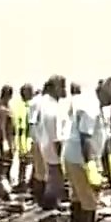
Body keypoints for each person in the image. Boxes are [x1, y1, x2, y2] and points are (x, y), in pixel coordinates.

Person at [62, 78, 111, 222]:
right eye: (109, 99)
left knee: (78, 195)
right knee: (89, 199)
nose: (110, 103)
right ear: (103, 94)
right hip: (79, 158)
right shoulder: (91, 109)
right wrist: (91, 165)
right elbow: (86, 138)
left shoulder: (90, 103)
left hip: (73, 156)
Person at [40, 75, 68, 210]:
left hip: (46, 145)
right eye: (61, 86)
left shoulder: (48, 104)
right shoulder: (53, 109)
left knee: (53, 177)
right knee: (56, 178)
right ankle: (50, 204)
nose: (64, 89)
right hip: (53, 147)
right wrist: (61, 154)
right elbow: (56, 135)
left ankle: (49, 203)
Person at [11, 84, 34, 192]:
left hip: (25, 138)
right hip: (25, 138)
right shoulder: (25, 106)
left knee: (26, 163)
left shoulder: (23, 105)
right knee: (26, 162)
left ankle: (24, 182)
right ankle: (24, 182)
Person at [0, 85, 15, 194]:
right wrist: (5, 141)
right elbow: (1, 125)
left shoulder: (3, 105)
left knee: (8, 157)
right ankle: (2, 180)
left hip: (8, 135)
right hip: (5, 136)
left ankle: (4, 179)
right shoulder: (2, 108)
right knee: (6, 157)